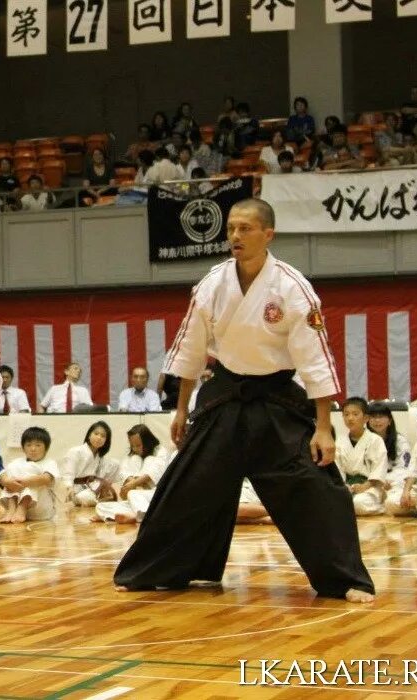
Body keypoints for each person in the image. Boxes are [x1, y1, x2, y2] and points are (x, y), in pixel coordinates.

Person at [112, 198, 375, 603]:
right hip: (224, 393)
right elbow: (190, 350)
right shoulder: (213, 284)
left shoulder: (292, 287)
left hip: (277, 398)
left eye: (245, 228)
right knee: (189, 483)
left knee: (314, 484)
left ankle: (344, 579)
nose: (235, 236)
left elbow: (316, 360)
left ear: (268, 234)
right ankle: (165, 568)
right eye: (231, 228)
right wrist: (182, 408)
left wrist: (323, 427)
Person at [94, 425, 168, 523]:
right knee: (101, 507)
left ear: (148, 442)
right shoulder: (132, 457)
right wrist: (130, 485)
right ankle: (137, 514)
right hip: (139, 499)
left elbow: (155, 471)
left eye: (138, 445)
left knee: (134, 494)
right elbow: (124, 473)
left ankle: (143, 516)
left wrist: (134, 484)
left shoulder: (160, 451)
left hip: (156, 495)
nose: (135, 449)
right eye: (132, 446)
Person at [334, 398, 387, 516]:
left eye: (355, 414)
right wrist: (343, 486)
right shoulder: (340, 441)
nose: (350, 418)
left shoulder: (375, 440)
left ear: (366, 418)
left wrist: (365, 486)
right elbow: (337, 468)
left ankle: (381, 505)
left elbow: (379, 469)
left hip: (370, 487)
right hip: (347, 487)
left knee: (359, 504)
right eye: (346, 414)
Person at [0, 426, 58, 523]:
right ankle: (12, 508)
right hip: (15, 510)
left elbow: (46, 478)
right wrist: (8, 481)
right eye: (29, 445)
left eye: (38, 445)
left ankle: (22, 507)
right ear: (23, 448)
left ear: (46, 448)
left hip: (41, 510)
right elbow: (1, 475)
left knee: (31, 471)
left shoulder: (50, 463)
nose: (33, 449)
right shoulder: (17, 462)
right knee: (13, 467)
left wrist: (22, 482)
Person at [61, 421, 120, 507]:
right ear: (89, 435)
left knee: (115, 464)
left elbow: (101, 475)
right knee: (86, 497)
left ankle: (103, 494)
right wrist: (69, 488)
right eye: (96, 434)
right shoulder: (76, 451)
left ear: (106, 441)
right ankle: (97, 500)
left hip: (93, 485)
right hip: (77, 488)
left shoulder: (99, 456)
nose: (99, 437)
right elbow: (68, 473)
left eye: (103, 436)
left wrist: (103, 486)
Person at [365, 401, 412, 481]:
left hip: (394, 481)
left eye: (381, 416)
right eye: (373, 417)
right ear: (367, 421)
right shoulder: (364, 440)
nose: (377, 420)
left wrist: (385, 480)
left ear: (390, 421)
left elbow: (404, 467)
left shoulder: (400, 441)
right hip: (370, 481)